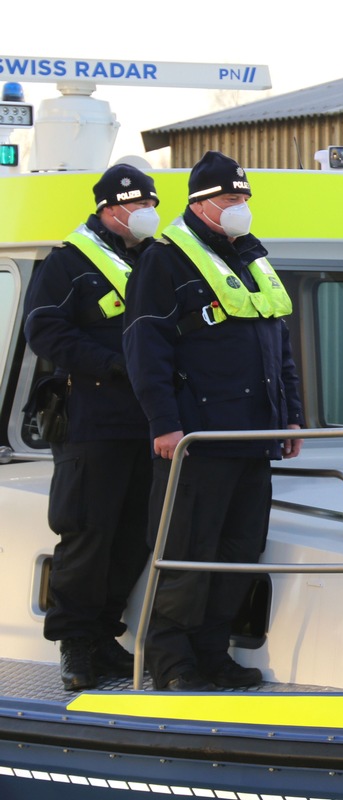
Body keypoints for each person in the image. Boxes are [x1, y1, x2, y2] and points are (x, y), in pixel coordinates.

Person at [124, 151, 304, 691]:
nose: (240, 209)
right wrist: (164, 423)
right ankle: (171, 663)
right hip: (198, 441)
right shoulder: (164, 262)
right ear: (201, 205)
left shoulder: (252, 260)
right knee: (185, 555)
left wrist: (291, 418)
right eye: (230, 200)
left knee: (238, 555)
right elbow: (144, 348)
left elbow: (280, 348)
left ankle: (212, 654)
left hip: (253, 438)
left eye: (244, 199)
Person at [23, 164, 159, 691]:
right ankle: (75, 646)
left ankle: (104, 635)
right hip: (92, 420)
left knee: (132, 537)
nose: (146, 212)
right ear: (110, 210)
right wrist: (114, 362)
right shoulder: (69, 263)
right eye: (136, 205)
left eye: (150, 203)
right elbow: (46, 330)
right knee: (86, 533)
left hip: (146, 423)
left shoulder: (151, 260)